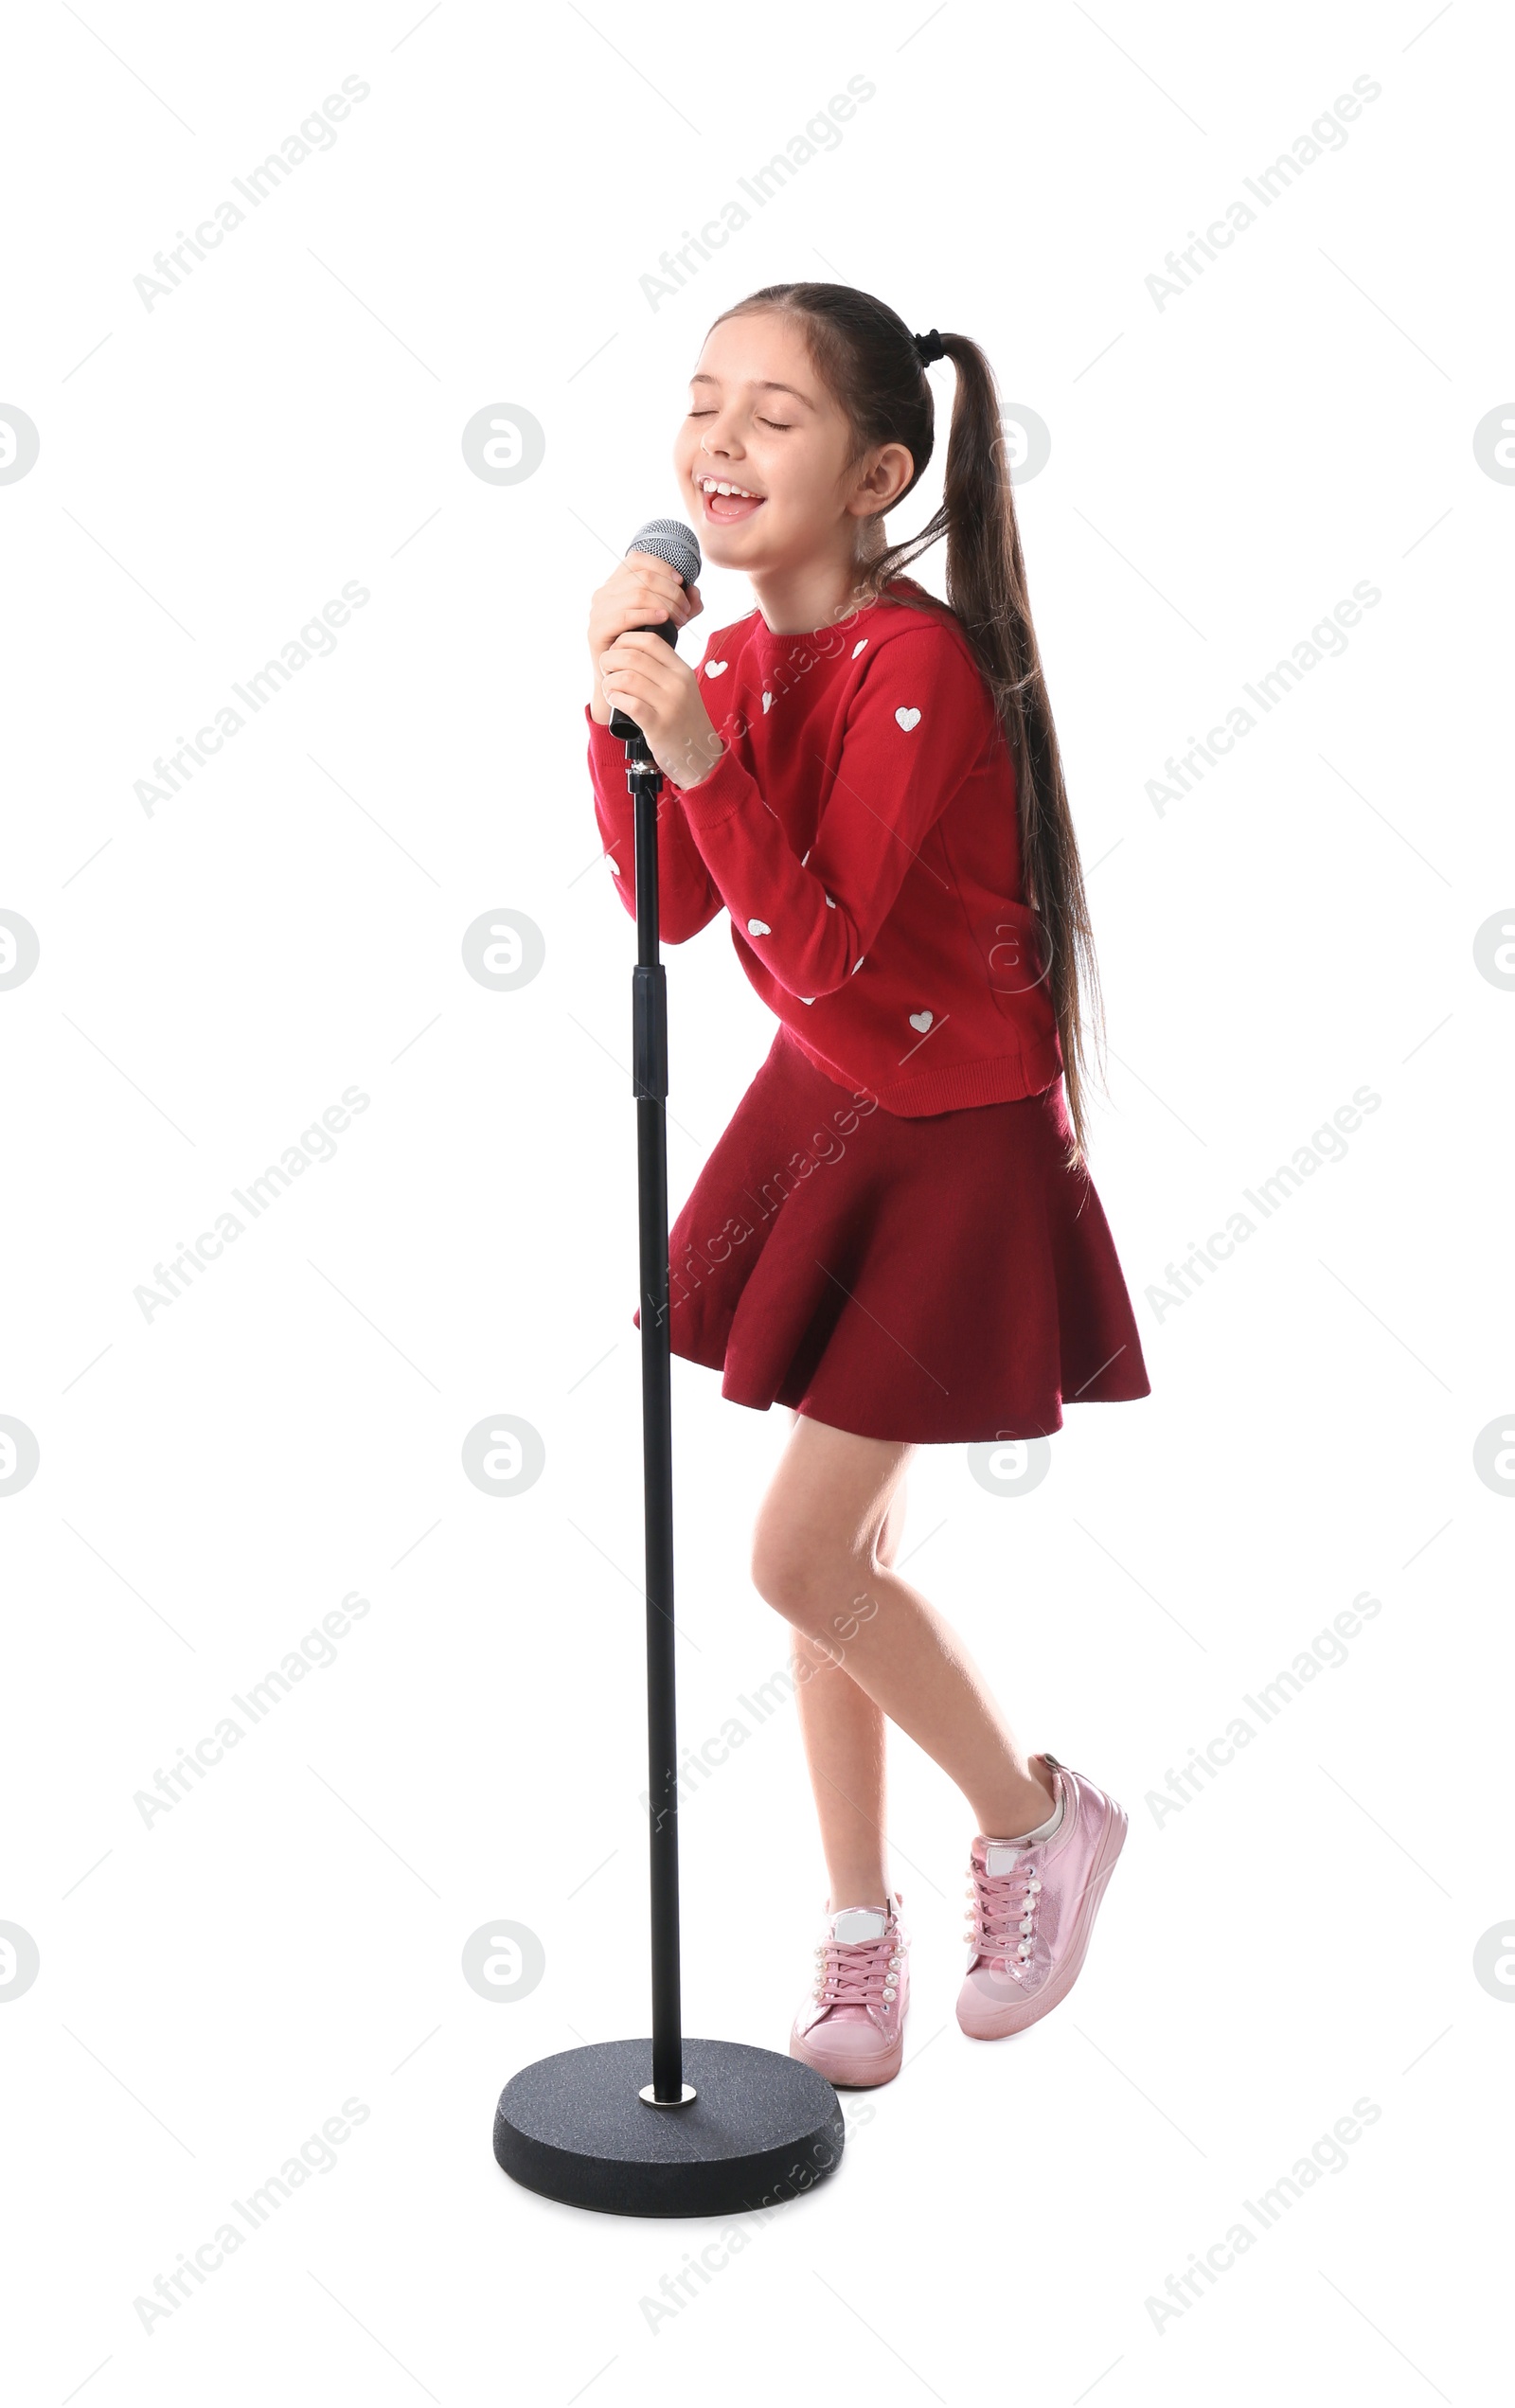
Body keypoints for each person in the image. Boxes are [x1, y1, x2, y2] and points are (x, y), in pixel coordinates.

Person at [584, 283, 1149, 2090]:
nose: (719, 445)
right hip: (829, 1114)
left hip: (947, 1141)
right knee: (848, 1567)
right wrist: (630, 727)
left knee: (801, 1555)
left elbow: (818, 949)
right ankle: (855, 1930)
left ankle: (1036, 1821)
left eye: (774, 417)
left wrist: (693, 749)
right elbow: (673, 901)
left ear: (879, 471)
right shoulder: (743, 658)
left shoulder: (914, 667)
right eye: (702, 405)